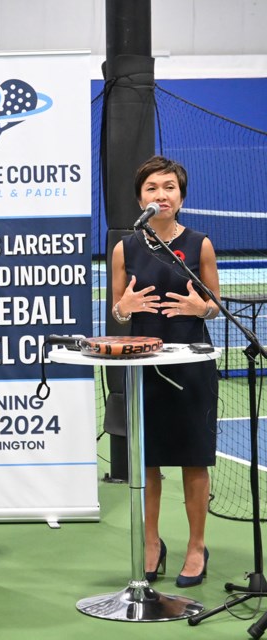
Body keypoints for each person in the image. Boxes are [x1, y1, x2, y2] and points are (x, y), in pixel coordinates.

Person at [110, 155, 220, 588]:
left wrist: (202, 307)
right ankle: (151, 544)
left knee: (194, 461)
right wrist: (125, 308)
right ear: (141, 197)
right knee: (149, 463)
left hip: (192, 367)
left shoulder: (200, 244)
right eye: (153, 188)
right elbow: (118, 313)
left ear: (181, 195)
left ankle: (197, 547)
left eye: (169, 187)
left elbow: (215, 304)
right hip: (145, 370)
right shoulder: (125, 248)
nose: (162, 195)